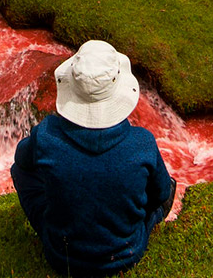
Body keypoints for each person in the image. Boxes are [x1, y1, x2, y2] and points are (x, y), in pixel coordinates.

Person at [11, 41, 176, 276]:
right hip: (127, 253)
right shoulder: (142, 142)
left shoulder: (47, 134)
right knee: (167, 187)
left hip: (61, 254)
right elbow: (159, 194)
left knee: (19, 171)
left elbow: (22, 161)